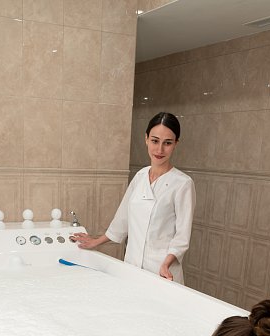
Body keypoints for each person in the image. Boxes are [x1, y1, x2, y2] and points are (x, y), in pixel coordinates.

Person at [71, 112, 195, 283]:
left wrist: (166, 264)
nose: (160, 149)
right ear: (146, 139)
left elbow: (182, 236)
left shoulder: (183, 184)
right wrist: (96, 242)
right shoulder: (140, 176)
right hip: (132, 266)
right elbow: (122, 219)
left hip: (162, 272)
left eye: (167, 143)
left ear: (175, 144)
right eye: (155, 141)